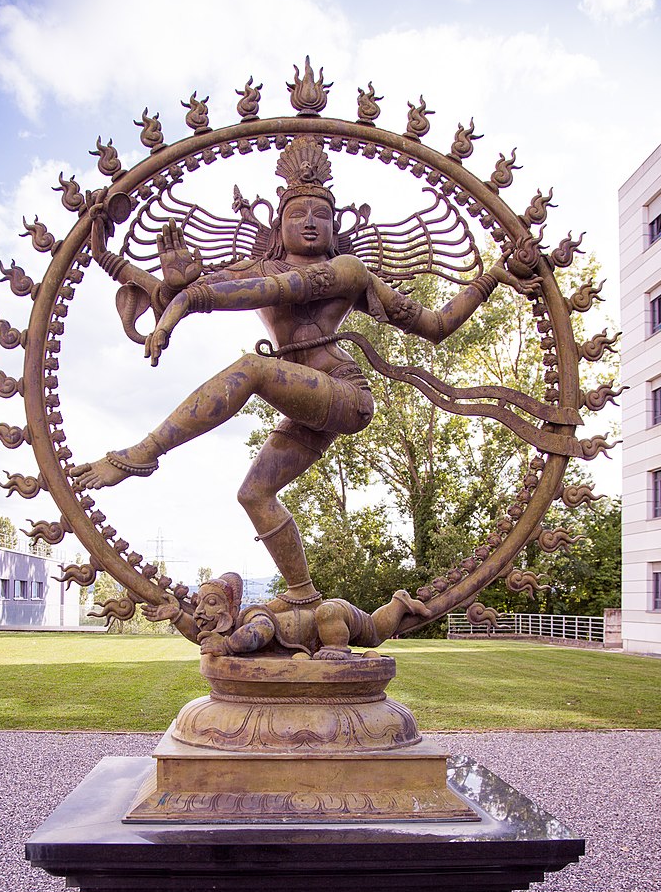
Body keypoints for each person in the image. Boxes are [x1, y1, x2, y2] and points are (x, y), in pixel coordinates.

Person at [72, 137, 537, 609]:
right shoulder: (258, 267)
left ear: (335, 228)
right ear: (279, 225)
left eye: (322, 215)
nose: (311, 222)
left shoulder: (347, 271)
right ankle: (303, 597)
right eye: (298, 214)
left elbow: (434, 325)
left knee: (253, 369)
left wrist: (491, 278)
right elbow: (183, 292)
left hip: (344, 394)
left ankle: (142, 454)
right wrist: (146, 273)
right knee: (255, 493)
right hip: (305, 406)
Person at [144, 571, 431, 660]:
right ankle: (399, 601)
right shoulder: (231, 630)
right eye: (199, 604)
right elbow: (204, 637)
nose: (200, 611)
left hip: (333, 614)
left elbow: (263, 632)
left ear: (231, 609)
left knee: (371, 633)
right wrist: (177, 616)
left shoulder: (252, 617)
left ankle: (400, 601)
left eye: (210, 603)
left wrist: (228, 646)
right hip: (319, 633)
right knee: (371, 633)